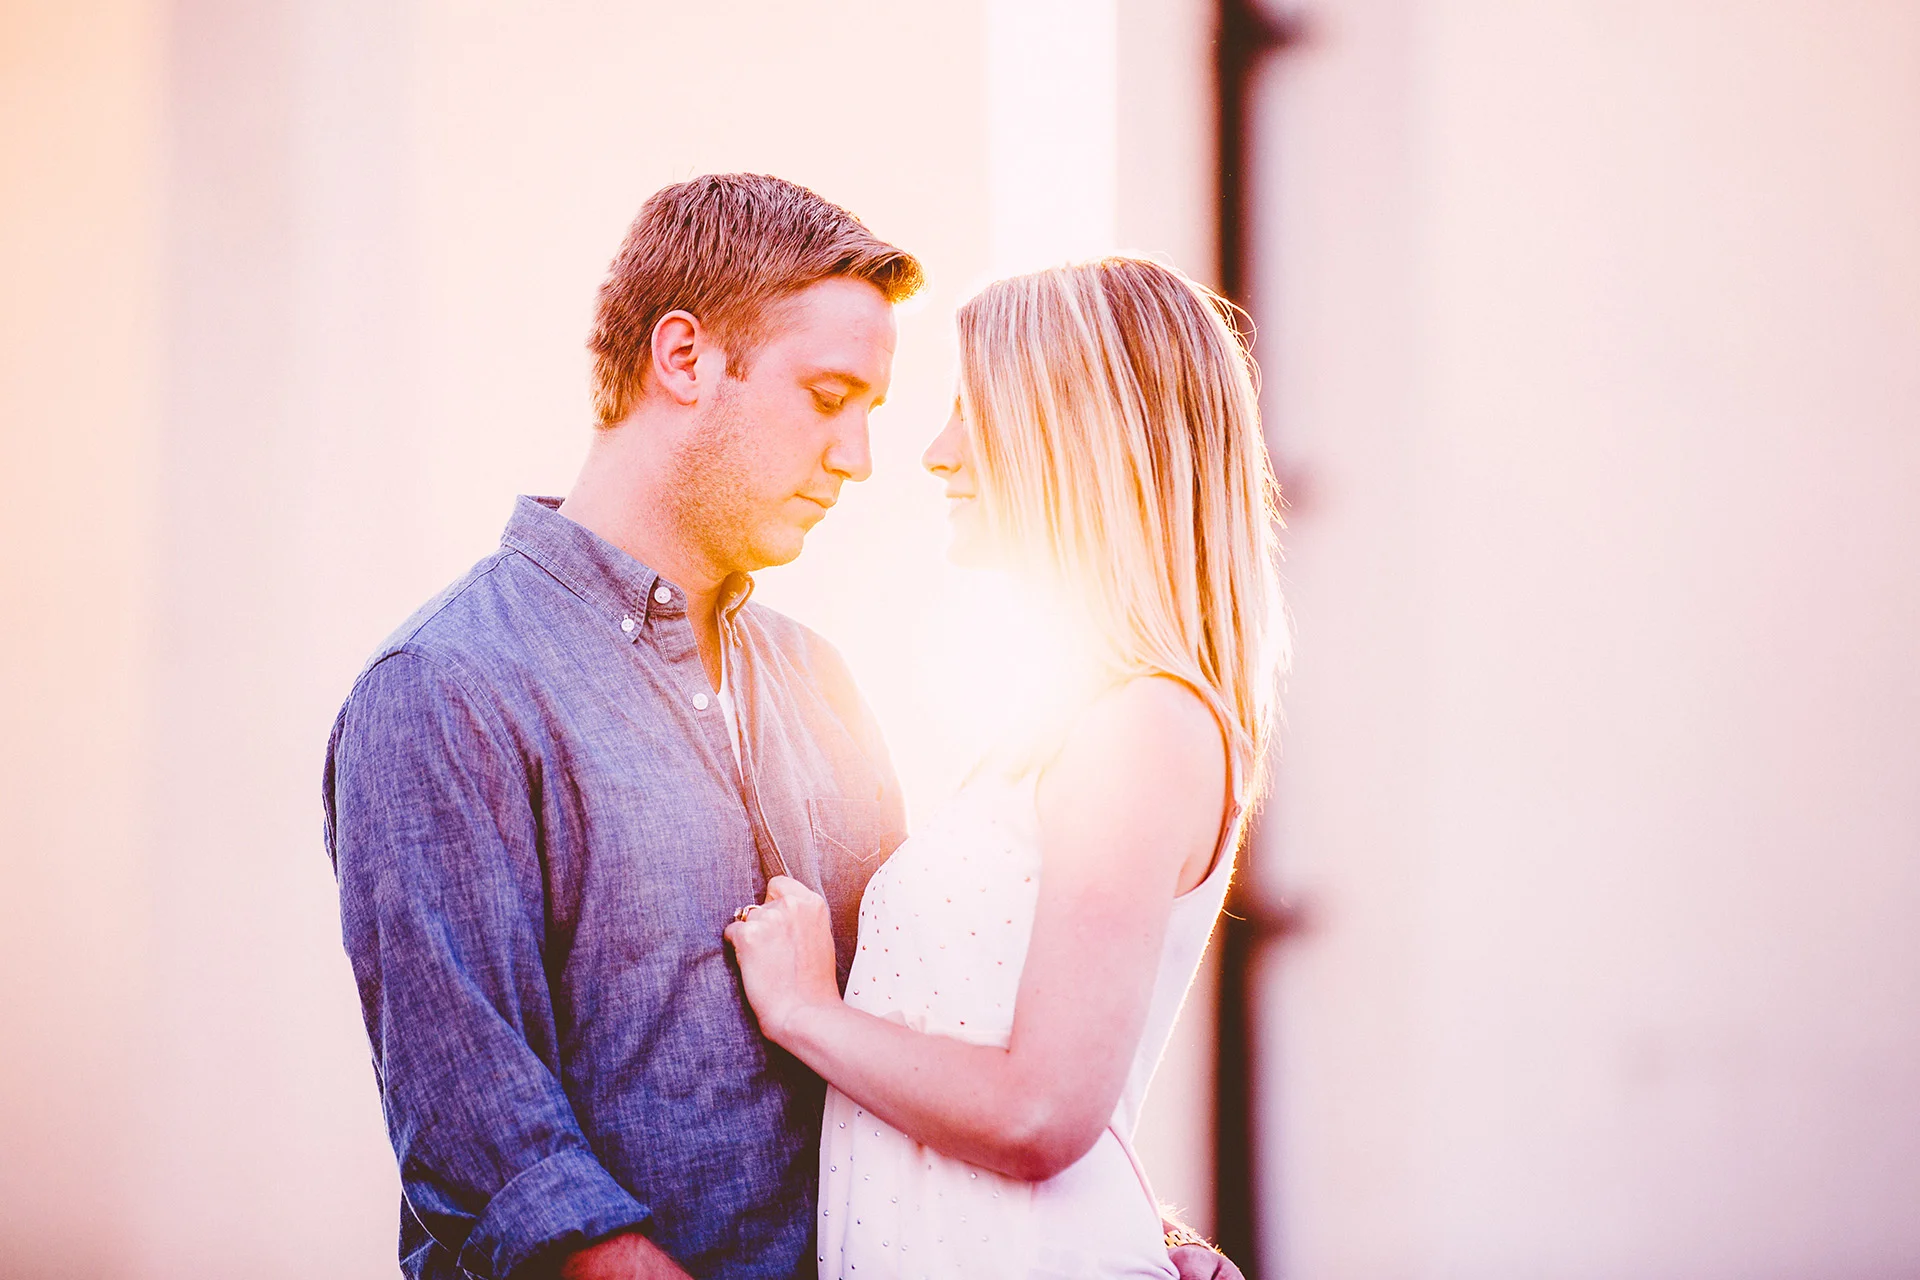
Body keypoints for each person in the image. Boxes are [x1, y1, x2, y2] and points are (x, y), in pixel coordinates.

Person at [325, 176, 1238, 1280]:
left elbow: (921, 1022)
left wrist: (1122, 1231)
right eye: (828, 394)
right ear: (685, 358)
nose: (860, 456)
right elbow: (490, 1145)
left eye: (873, 410)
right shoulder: (448, 687)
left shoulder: (820, 682)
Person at [727, 257, 1285, 1279]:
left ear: (1075, 432)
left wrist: (807, 1010)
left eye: (971, 410)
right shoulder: (1061, 727)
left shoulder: (1146, 726)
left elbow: (1039, 1111)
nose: (937, 454)